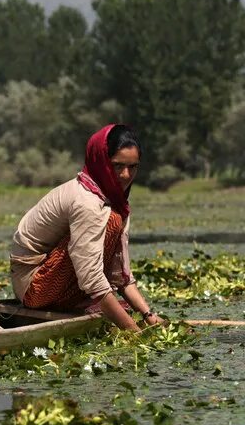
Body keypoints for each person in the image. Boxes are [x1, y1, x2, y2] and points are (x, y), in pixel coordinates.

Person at [10, 124, 163, 332]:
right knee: (111, 222)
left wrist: (148, 316)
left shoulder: (114, 201)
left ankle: (83, 303)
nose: (126, 175)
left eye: (132, 167)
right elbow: (91, 278)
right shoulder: (87, 201)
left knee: (113, 219)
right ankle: (84, 303)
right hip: (34, 288)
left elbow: (121, 274)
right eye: (118, 166)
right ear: (102, 163)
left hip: (59, 280)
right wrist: (134, 332)